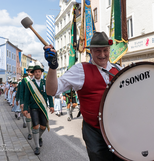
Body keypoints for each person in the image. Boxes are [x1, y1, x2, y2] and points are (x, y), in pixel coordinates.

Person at [44, 31, 124, 161]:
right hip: (95, 131)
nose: (103, 55)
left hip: (120, 130)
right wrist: (53, 66)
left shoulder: (118, 70)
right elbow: (52, 91)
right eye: (98, 51)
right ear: (90, 51)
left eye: (105, 50)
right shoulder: (80, 70)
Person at [23, 61, 54, 155]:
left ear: (41, 73)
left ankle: (39, 137)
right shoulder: (30, 83)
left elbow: (49, 95)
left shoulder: (46, 82)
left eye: (39, 71)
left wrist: (52, 105)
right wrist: (25, 108)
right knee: (36, 126)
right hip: (33, 107)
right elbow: (26, 97)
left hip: (43, 107)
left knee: (43, 127)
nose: (37, 73)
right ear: (33, 73)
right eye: (35, 72)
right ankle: (37, 146)